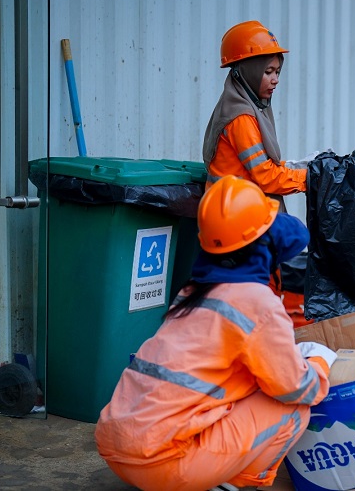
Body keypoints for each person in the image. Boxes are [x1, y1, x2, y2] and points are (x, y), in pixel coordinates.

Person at [95, 176, 336, 491]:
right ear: (261, 243)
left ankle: (207, 475)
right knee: (292, 411)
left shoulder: (193, 292)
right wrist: (319, 361)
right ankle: (234, 483)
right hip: (162, 462)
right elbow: (296, 389)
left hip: (117, 447)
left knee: (252, 388)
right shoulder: (254, 301)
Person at [202, 20, 315, 208]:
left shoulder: (244, 106)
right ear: (248, 73)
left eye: (278, 72)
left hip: (236, 207)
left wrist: (301, 166)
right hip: (234, 216)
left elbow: (259, 166)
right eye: (268, 72)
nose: (275, 80)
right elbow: (266, 176)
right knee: (296, 235)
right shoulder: (241, 118)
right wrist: (312, 177)